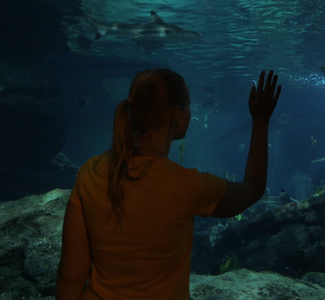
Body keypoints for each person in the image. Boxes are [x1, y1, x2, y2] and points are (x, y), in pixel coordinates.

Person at [56, 69, 281, 299]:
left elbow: (70, 276)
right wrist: (260, 121)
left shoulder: (91, 172)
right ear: (176, 114)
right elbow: (253, 188)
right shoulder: (188, 186)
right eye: (188, 105)